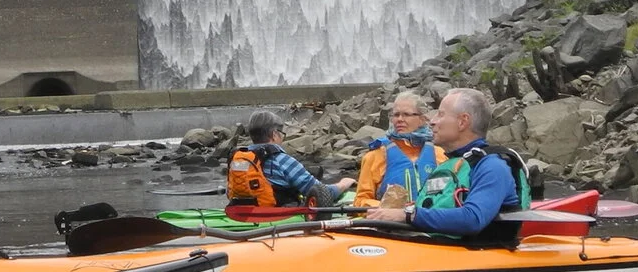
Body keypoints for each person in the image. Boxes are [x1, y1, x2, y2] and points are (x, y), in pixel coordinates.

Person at [365, 88, 531, 242]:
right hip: (435, 247)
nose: (432, 121)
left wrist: (406, 214)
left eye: (440, 114)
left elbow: (472, 219)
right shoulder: (450, 164)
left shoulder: (493, 166)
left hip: (478, 252)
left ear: (462, 122)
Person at [226, 110, 355, 208]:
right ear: (274, 134)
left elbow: (229, 192)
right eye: (282, 134)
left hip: (242, 215)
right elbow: (321, 192)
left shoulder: (238, 159)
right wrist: (342, 184)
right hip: (277, 216)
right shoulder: (281, 160)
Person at [353, 91, 447, 207]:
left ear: (422, 119)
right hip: (391, 218)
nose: (400, 119)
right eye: (396, 115)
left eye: (406, 114)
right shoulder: (375, 156)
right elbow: (360, 201)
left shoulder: (441, 155)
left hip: (432, 217)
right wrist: (390, 207)